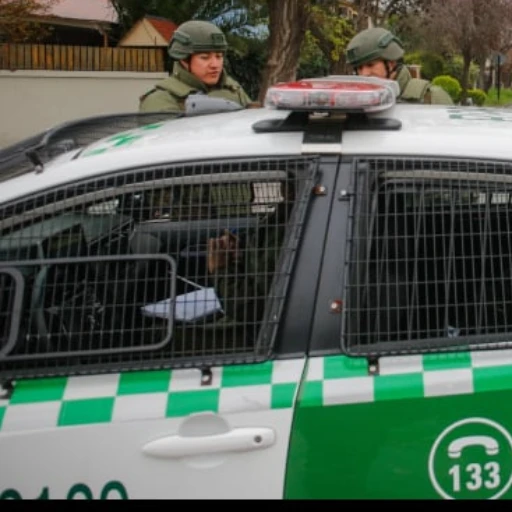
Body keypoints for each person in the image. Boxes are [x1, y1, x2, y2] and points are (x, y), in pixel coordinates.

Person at [207, 181, 296, 328]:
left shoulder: (287, 230)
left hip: (257, 330)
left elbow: (253, 309)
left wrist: (221, 270)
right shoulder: (283, 219)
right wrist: (241, 247)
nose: (282, 187)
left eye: (287, 181)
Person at [139, 20, 253, 113]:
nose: (215, 65)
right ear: (184, 59)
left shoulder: (233, 90)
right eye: (205, 57)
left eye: (219, 56)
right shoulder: (160, 100)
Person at [346, 27, 453, 105]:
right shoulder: (354, 102)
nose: (364, 74)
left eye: (370, 65)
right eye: (359, 68)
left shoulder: (432, 97)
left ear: (391, 63)